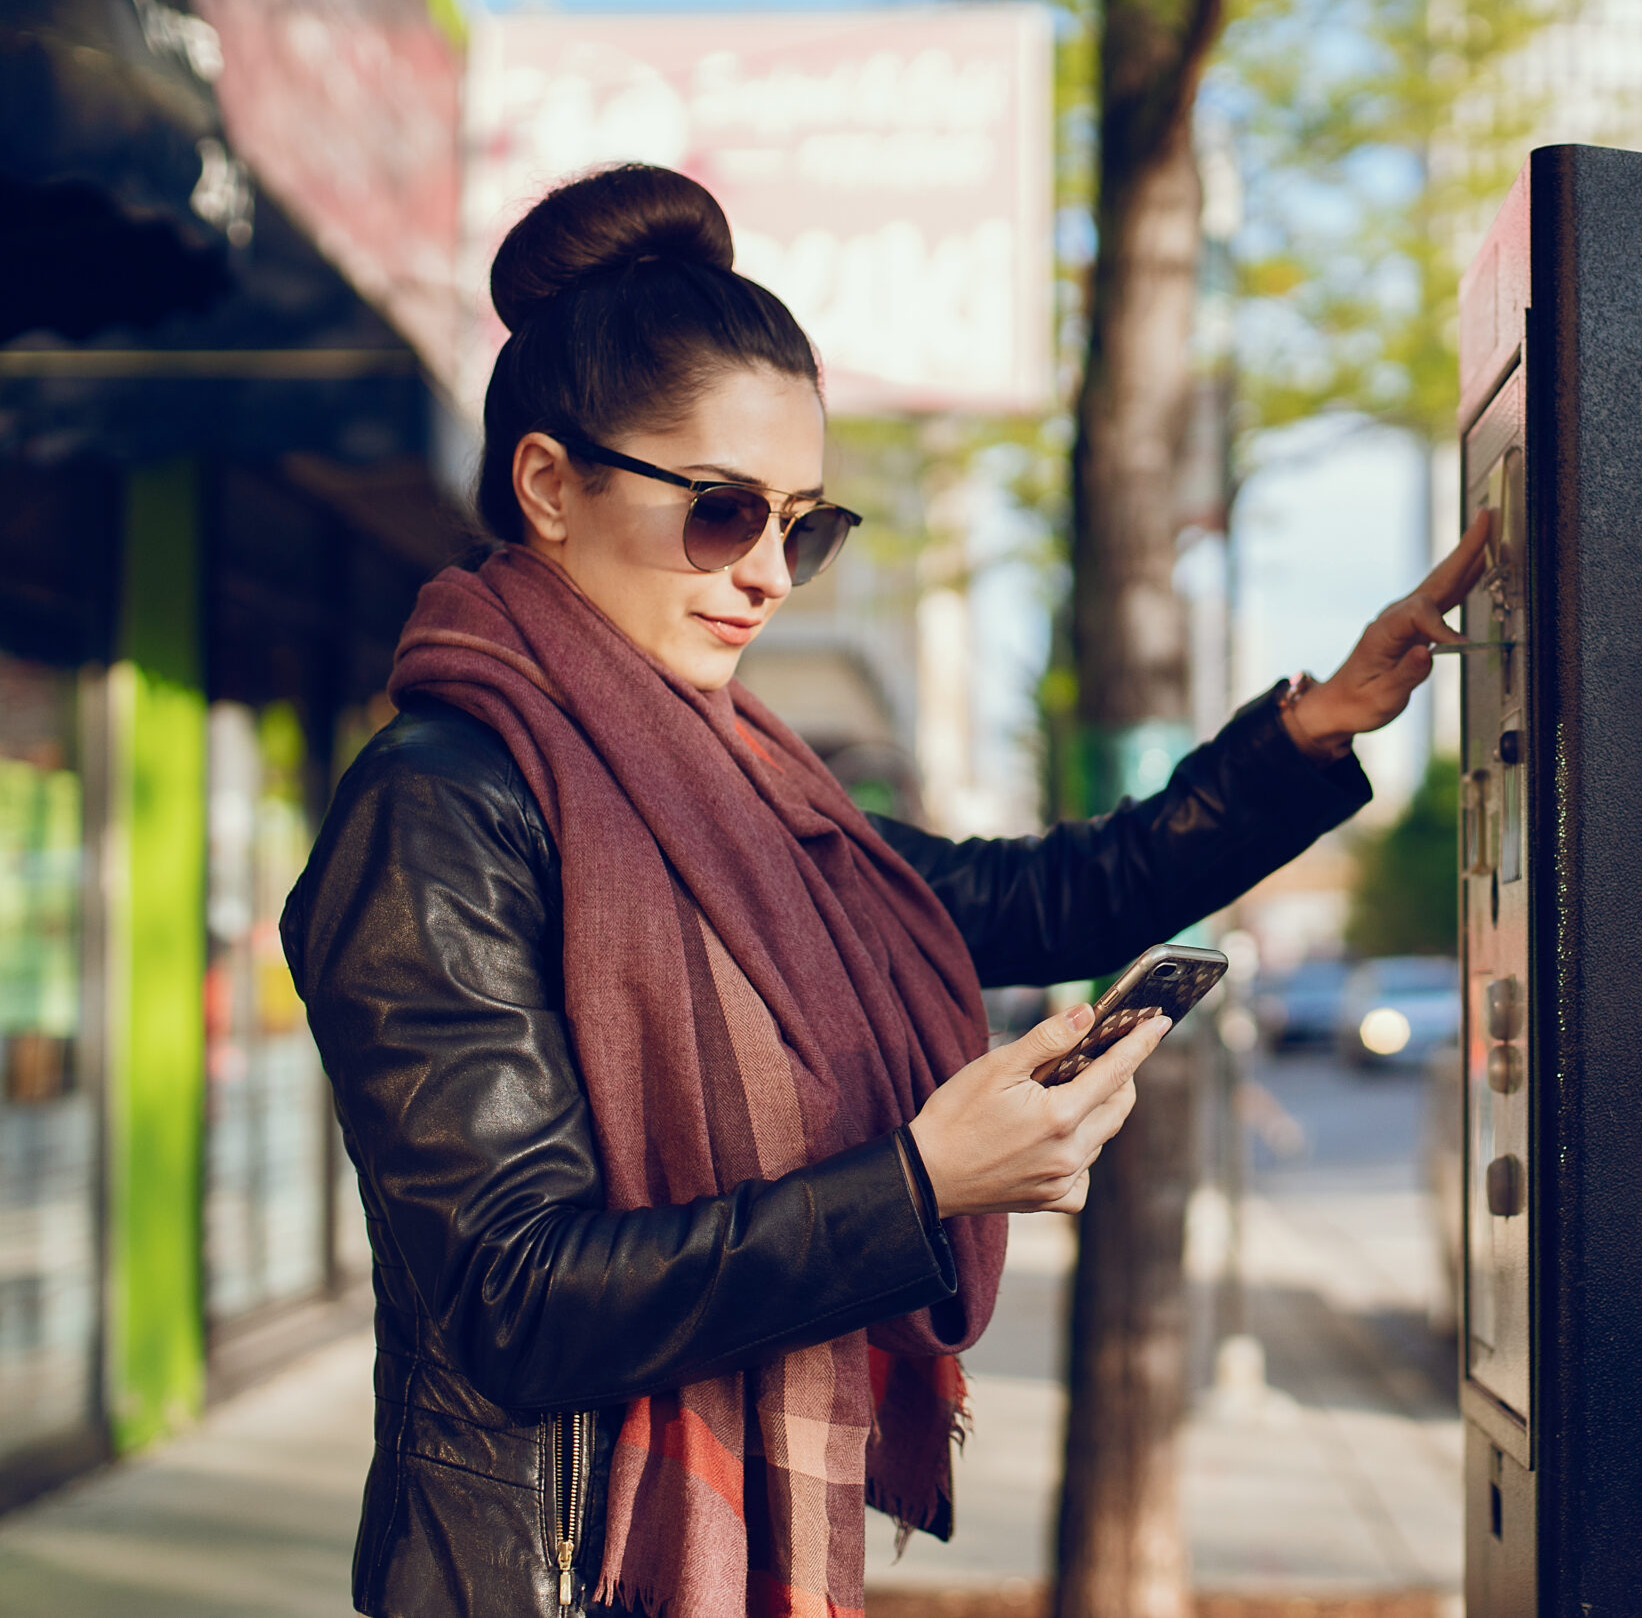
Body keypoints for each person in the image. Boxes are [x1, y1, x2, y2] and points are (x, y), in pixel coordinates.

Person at [281, 164, 1492, 1618]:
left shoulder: (751, 786)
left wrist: (1313, 732)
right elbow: (511, 1296)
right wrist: (919, 1187)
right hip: (545, 1576)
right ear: (548, 483)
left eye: (806, 525)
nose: (773, 575)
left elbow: (1040, 900)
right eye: (724, 512)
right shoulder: (441, 806)